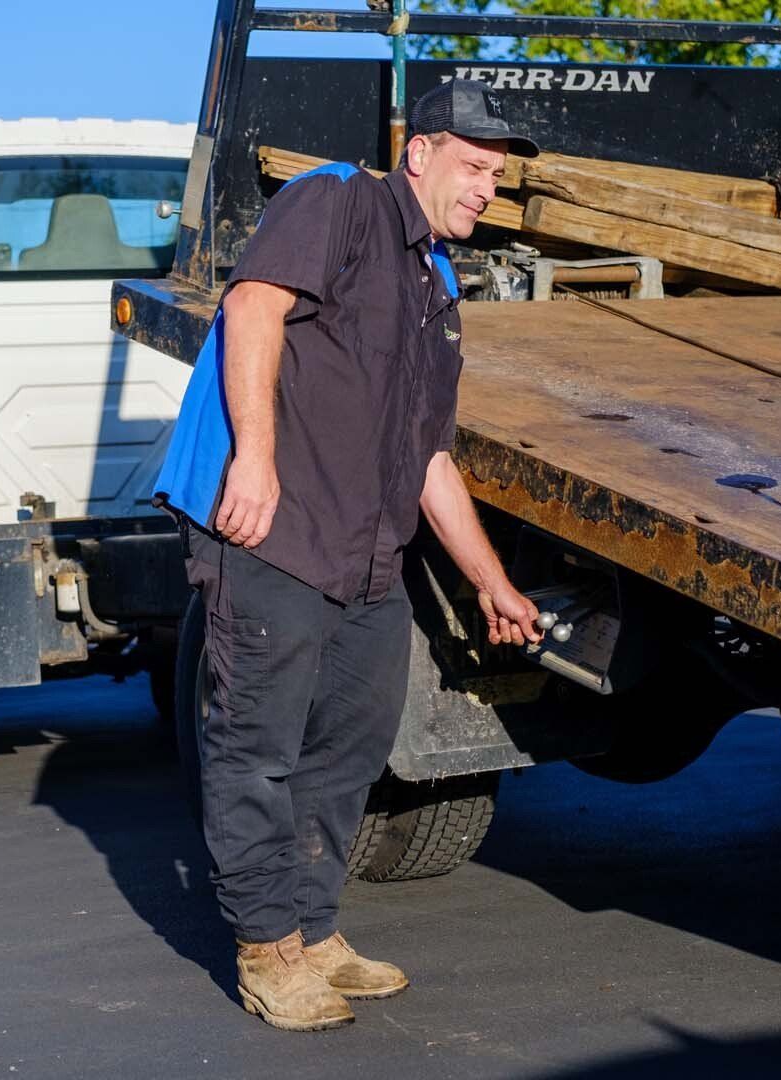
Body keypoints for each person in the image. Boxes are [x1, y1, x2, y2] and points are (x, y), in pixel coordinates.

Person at [154, 79, 544, 1032]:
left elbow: (430, 458)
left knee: (352, 747)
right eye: (475, 166)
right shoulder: (338, 203)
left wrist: (492, 583)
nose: (488, 188)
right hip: (276, 538)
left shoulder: (436, 282)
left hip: (369, 561)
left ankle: (315, 930)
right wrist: (254, 459)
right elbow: (249, 310)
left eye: (498, 175)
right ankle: (266, 950)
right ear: (421, 152)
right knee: (256, 750)